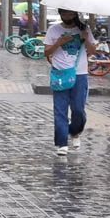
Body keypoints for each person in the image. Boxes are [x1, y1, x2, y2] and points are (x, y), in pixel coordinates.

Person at [44, 9, 97, 156]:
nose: (67, 17)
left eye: (70, 14)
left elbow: (93, 50)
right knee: (60, 110)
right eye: (64, 14)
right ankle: (62, 143)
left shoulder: (84, 29)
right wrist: (59, 43)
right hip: (60, 73)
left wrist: (86, 39)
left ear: (75, 15)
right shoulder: (53, 30)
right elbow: (46, 52)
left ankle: (75, 132)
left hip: (79, 74)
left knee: (78, 109)